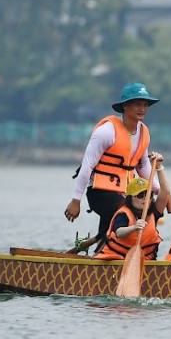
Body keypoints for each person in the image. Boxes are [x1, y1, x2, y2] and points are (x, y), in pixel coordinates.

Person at [65, 82, 160, 251]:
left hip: (126, 191)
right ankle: (104, 250)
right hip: (98, 191)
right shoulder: (106, 132)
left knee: (120, 222)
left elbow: (143, 165)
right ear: (125, 106)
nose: (142, 108)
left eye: (145, 105)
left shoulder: (144, 132)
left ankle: (97, 250)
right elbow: (87, 166)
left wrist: (159, 191)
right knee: (126, 213)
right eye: (137, 104)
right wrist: (75, 200)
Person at [94, 152, 171, 261]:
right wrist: (134, 227)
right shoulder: (123, 214)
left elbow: (165, 191)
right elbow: (119, 232)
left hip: (145, 261)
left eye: (149, 195)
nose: (145, 199)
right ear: (130, 197)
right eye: (140, 195)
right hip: (116, 261)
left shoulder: (154, 211)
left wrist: (159, 167)